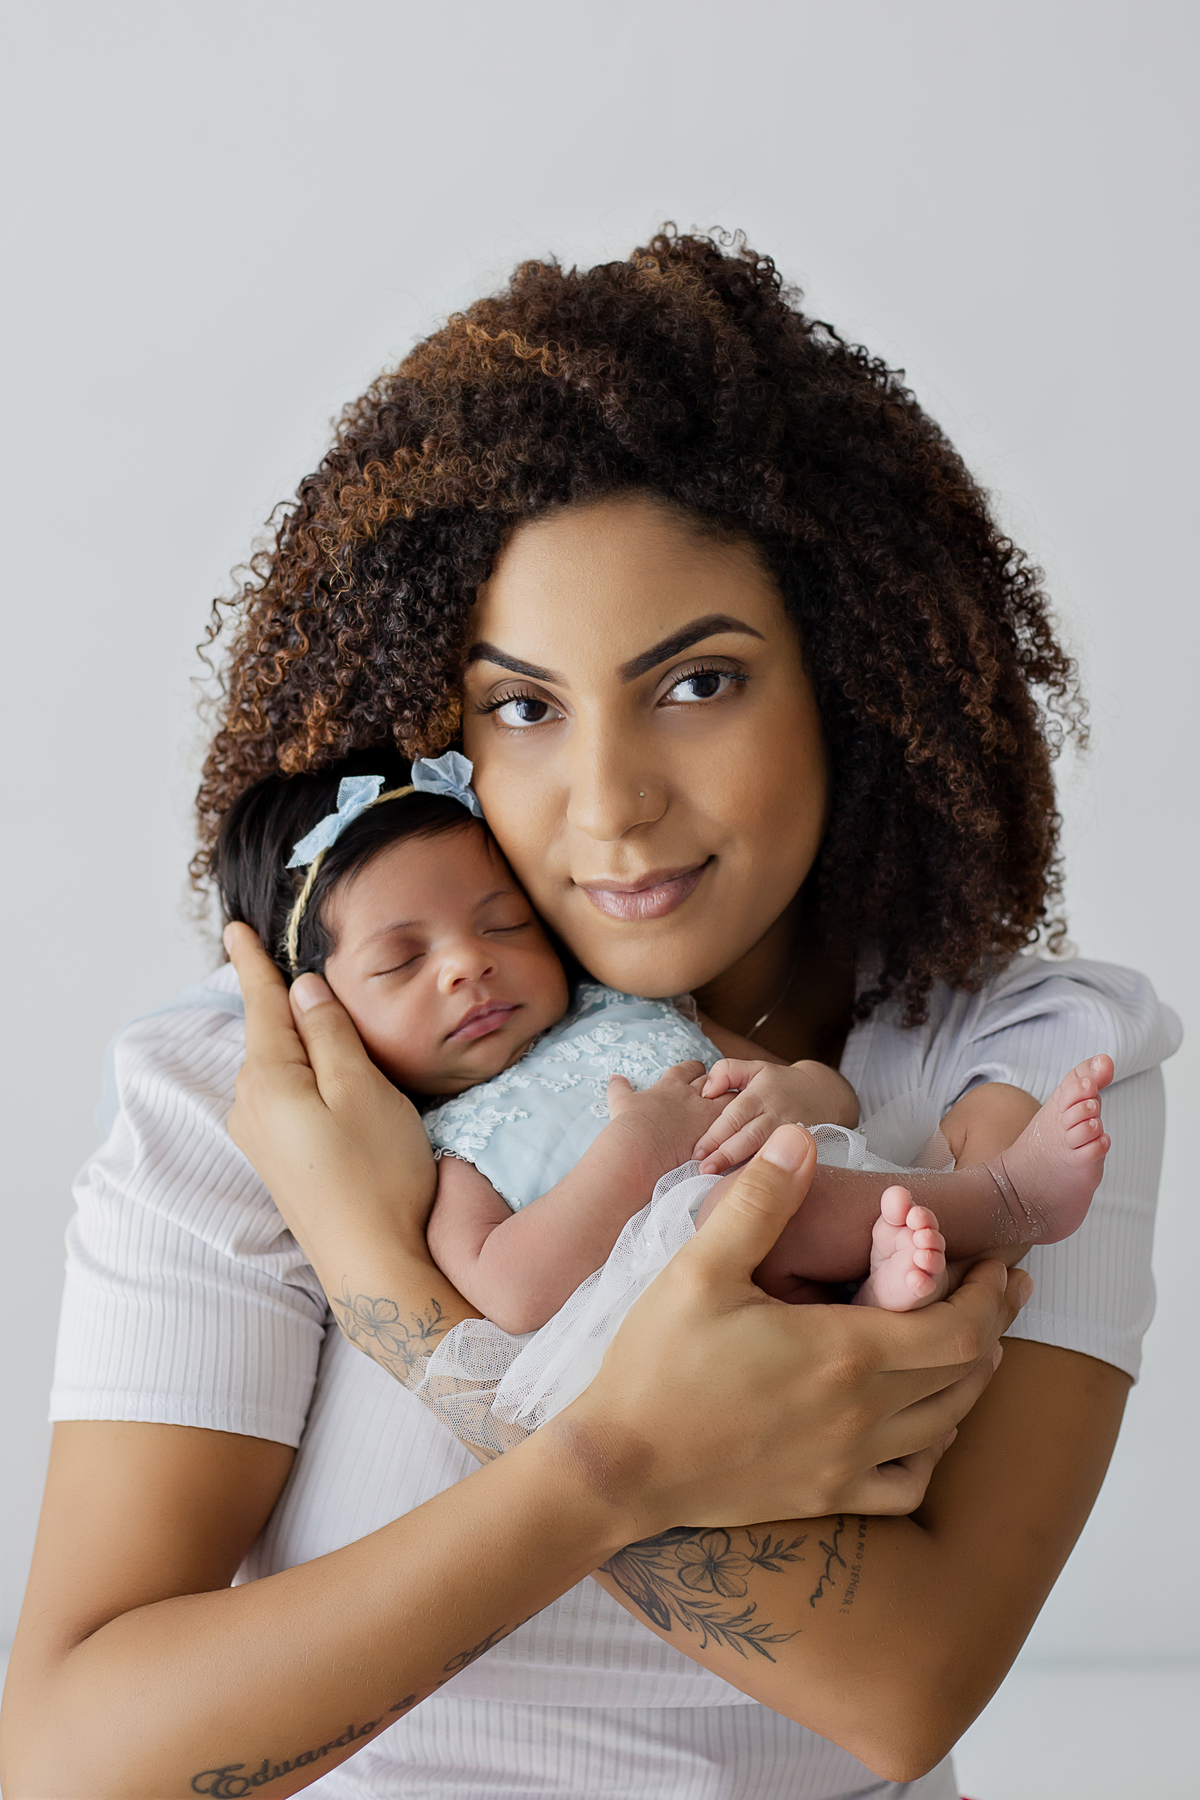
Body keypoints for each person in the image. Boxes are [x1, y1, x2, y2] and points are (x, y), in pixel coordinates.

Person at [0, 230, 1180, 1800]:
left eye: (699, 683)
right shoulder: (265, 1094)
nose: (612, 803)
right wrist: (608, 1463)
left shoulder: (1028, 1069)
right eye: (524, 706)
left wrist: (383, 1278)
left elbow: (906, 1692)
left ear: (851, 683)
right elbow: (72, 1765)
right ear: (448, 727)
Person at [213, 744, 1113, 1383]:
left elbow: (826, 1091)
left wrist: (790, 1091)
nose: (466, 965)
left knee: (795, 1182)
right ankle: (1004, 1202)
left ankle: (876, 1298)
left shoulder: (629, 1007)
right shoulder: (449, 1146)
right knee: (744, 1207)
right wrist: (638, 1152)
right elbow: (511, 1292)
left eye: (503, 923)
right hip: (683, 1358)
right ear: (318, 1015)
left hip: (799, 1256)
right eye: (402, 961)